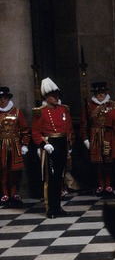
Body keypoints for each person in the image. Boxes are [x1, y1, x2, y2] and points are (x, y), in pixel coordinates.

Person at [32, 78, 73, 218]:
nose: (56, 98)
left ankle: (58, 207)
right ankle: (50, 208)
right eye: (53, 96)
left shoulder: (63, 109)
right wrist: (44, 144)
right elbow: (35, 132)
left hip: (62, 144)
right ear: (46, 97)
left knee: (60, 178)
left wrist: (70, 144)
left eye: (57, 95)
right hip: (50, 145)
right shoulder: (40, 112)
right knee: (50, 179)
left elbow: (69, 129)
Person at [81, 82, 115, 195]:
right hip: (95, 136)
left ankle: (109, 184)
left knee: (109, 162)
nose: (100, 95)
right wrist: (86, 139)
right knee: (99, 163)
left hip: (108, 135)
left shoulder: (113, 105)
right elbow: (84, 124)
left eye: (102, 92)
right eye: (98, 93)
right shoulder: (89, 106)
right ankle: (101, 185)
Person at [0, 87, 30, 207]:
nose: (2, 101)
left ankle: (14, 194)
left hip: (15, 146)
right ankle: (5, 194)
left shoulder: (17, 112)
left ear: (8, 99)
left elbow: (25, 130)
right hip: (1, 146)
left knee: (15, 171)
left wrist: (25, 144)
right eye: (0, 99)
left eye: (4, 98)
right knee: (3, 171)